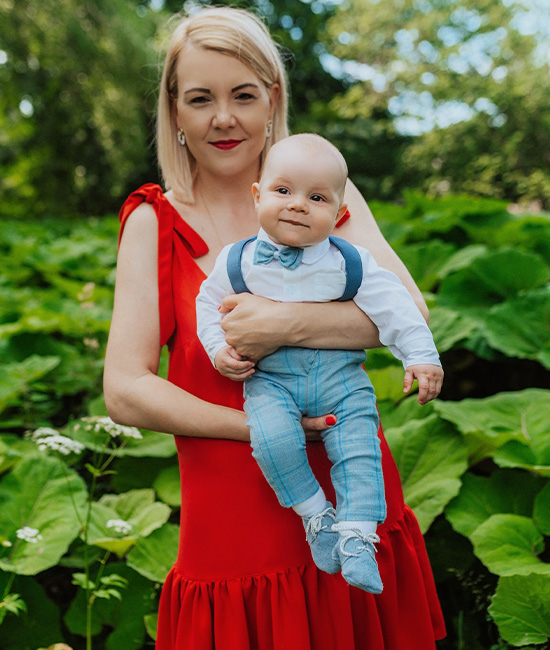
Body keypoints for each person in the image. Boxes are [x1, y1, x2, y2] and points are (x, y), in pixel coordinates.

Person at [103, 6, 446, 649]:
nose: (223, 118)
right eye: (200, 98)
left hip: (354, 497)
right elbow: (124, 389)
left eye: (243, 95)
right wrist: (264, 428)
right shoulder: (153, 221)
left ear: (272, 100)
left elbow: (408, 313)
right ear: (174, 111)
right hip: (234, 518)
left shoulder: (324, 197)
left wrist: (284, 321)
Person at [196, 133, 444, 595]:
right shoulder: (237, 260)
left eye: (316, 198)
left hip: (341, 380)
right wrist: (218, 349)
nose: (297, 206)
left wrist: (422, 358)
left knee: (359, 451)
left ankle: (357, 540)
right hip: (271, 380)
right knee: (272, 441)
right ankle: (316, 516)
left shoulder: (350, 262)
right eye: (283, 191)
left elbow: (397, 309)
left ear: (338, 211)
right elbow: (207, 305)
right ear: (258, 196)